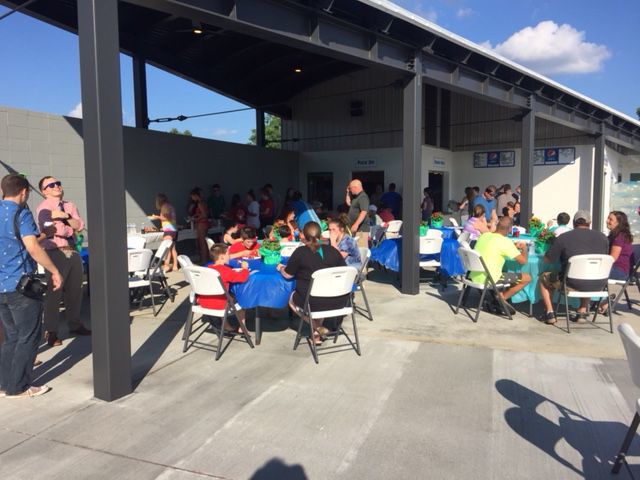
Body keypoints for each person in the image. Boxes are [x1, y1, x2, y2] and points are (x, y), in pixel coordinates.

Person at [0, 174, 62, 397]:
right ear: (24, 192)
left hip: (1, 286)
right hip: (20, 286)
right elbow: (33, 248)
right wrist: (54, 270)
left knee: (11, 337)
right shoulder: (21, 213)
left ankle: (4, 384)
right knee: (29, 335)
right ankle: (20, 386)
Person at [36, 175, 90, 347]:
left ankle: (75, 324)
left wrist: (64, 216)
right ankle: (51, 331)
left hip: (73, 252)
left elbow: (79, 225)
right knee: (54, 293)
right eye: (51, 185)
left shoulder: (70, 206)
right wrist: (66, 226)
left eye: (57, 183)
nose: (56, 186)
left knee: (76, 290)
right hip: (54, 252)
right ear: (44, 191)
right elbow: (52, 229)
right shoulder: (43, 207)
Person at [276, 222, 348, 345]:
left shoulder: (300, 252)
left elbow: (288, 274)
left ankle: (316, 328)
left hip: (313, 301)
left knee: (292, 298)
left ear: (303, 235)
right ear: (320, 234)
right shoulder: (332, 251)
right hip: (339, 300)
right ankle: (316, 336)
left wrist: (280, 268)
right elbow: (345, 272)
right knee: (317, 297)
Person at [538, 210, 609, 325]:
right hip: (598, 284)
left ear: (574, 223)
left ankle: (550, 313)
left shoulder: (564, 238)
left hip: (571, 284)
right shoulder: (603, 238)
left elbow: (547, 259)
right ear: (589, 223)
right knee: (588, 273)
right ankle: (582, 310)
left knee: (543, 278)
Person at [470, 217, 530, 312]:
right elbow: (523, 261)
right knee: (527, 278)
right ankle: (501, 299)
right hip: (490, 279)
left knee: (499, 269)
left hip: (474, 275)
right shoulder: (505, 242)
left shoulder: (484, 236)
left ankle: (499, 297)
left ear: (497, 225)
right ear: (510, 229)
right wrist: (524, 249)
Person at [196, 243, 249, 333]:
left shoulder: (207, 269)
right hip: (219, 304)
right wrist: (245, 269)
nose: (229, 256)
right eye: (228, 254)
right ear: (222, 257)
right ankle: (242, 327)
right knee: (242, 299)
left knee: (222, 294)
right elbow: (242, 278)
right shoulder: (225, 271)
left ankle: (226, 325)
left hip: (203, 302)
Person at [148, 193, 178, 272]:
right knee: (172, 249)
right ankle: (175, 265)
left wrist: (156, 217)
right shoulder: (169, 206)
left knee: (166, 248)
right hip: (173, 229)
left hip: (169, 230)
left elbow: (166, 217)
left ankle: (166, 265)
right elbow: (170, 218)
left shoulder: (164, 206)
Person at [346, 179, 370, 247]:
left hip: (361, 229)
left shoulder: (363, 197)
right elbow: (348, 203)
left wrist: (356, 224)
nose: (350, 190)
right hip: (356, 228)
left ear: (355, 187)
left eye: (350, 188)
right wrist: (348, 193)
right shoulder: (356, 197)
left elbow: (364, 212)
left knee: (361, 249)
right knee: (356, 249)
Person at [188, 188, 210, 263]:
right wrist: (196, 215)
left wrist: (195, 219)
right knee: (204, 242)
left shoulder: (200, 203)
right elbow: (202, 213)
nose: (192, 198)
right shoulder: (203, 202)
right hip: (204, 223)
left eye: (192, 197)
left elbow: (204, 214)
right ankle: (205, 258)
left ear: (196, 196)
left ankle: (204, 260)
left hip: (202, 224)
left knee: (202, 243)